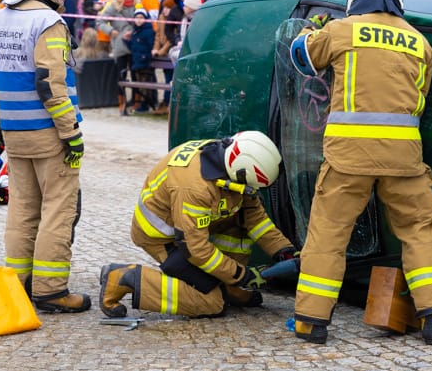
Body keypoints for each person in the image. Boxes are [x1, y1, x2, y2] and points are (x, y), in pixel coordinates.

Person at [288, 0, 432, 345]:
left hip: (349, 157)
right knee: (420, 231)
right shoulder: (420, 43)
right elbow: (420, 100)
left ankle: (311, 321)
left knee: (329, 233)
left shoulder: (342, 30)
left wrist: (309, 30)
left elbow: (302, 58)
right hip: (405, 159)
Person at [0, 0, 91, 313]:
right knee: (59, 209)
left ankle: (19, 285)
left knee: (22, 210)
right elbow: (50, 84)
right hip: (49, 134)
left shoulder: (0, 16)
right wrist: (71, 132)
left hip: (15, 132)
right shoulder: (48, 22)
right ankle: (51, 290)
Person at [99, 131, 298, 318]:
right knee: (211, 302)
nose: (251, 193)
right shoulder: (194, 186)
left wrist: (283, 250)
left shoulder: (229, 163)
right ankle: (125, 278)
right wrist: (241, 275)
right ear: (242, 173)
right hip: (162, 237)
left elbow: (254, 217)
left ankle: (229, 287)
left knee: (239, 223)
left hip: (192, 228)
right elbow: (196, 250)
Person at [96, 0, 139, 114]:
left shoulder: (137, 7)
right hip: (120, 46)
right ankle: (122, 102)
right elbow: (99, 21)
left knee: (136, 74)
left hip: (135, 45)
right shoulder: (113, 7)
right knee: (122, 74)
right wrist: (110, 31)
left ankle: (136, 102)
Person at [124, 7, 157, 114]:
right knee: (140, 83)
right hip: (136, 62)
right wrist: (126, 40)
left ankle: (147, 103)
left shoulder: (148, 31)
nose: (138, 20)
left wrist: (146, 56)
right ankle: (143, 103)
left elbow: (150, 45)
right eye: (136, 17)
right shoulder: (135, 31)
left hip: (145, 62)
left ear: (146, 19)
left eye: (141, 17)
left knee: (146, 83)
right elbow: (133, 47)